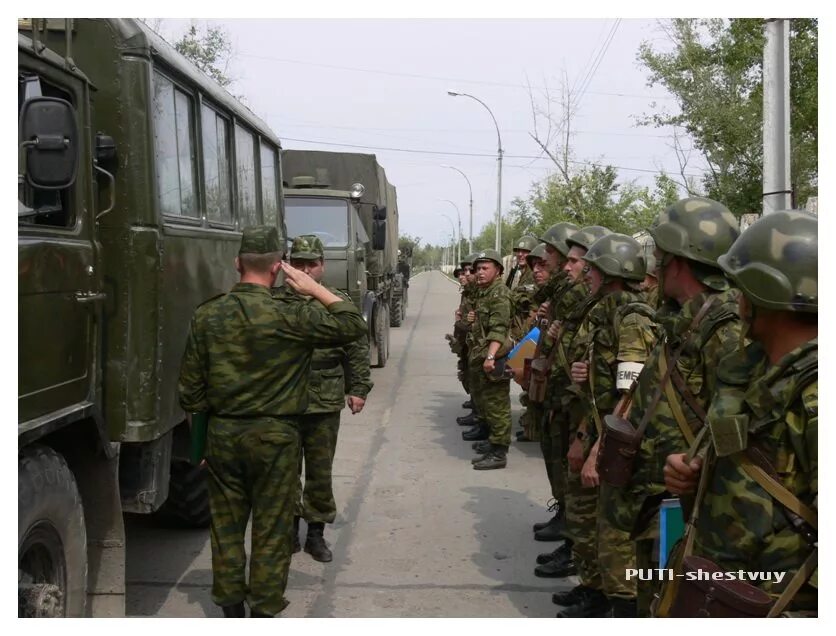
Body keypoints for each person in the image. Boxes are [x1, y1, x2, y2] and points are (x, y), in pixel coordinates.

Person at [178, 226, 366, 618]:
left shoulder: (208, 313)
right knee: (272, 529)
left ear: (237, 263)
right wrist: (314, 290)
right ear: (280, 269)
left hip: (223, 436)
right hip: (276, 439)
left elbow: (190, 393)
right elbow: (352, 325)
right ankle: (263, 612)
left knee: (226, 528)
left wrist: (200, 446)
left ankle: (231, 610)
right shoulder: (291, 314)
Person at [662, 210, 817, 617]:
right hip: (722, 586)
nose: (736, 297)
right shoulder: (755, 370)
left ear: (764, 290)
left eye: (741, 285)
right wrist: (696, 476)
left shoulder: (816, 396)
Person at [599, 198, 742, 617]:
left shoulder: (724, 329)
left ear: (677, 262)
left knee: (673, 603)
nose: (654, 268)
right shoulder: (681, 319)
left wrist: (697, 466)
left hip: (687, 505)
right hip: (657, 499)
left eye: (659, 258)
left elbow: (740, 427)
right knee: (656, 597)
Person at [558, 233, 658, 617]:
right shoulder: (607, 311)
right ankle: (597, 595)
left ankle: (619, 608)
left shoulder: (631, 317)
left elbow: (631, 391)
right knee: (596, 528)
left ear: (610, 272)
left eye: (593, 270)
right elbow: (606, 388)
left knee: (617, 538)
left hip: (620, 444)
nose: (586, 276)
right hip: (600, 429)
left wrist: (600, 450)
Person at [274, 235, 373, 563]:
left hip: (324, 397)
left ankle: (316, 533)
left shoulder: (335, 301)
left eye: (311, 264)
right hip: (282, 400)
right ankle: (287, 530)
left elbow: (357, 346)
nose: (304, 270)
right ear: (287, 264)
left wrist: (358, 387)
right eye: (298, 263)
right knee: (284, 471)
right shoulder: (273, 301)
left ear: (321, 266)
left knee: (319, 470)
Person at [534, 225, 610, 576]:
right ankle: (570, 536)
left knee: (580, 482)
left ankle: (577, 550)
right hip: (567, 395)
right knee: (564, 469)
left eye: (577, 262)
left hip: (586, 405)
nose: (564, 266)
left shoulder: (601, 303)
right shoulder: (584, 297)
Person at [466, 249, 514, 469]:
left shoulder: (500, 294)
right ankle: (491, 441)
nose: (480, 273)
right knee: (486, 402)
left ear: (498, 270)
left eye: (486, 268)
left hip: (493, 357)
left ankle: (499, 452)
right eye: (478, 269)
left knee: (497, 405)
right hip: (483, 355)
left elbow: (499, 329)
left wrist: (491, 357)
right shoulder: (485, 292)